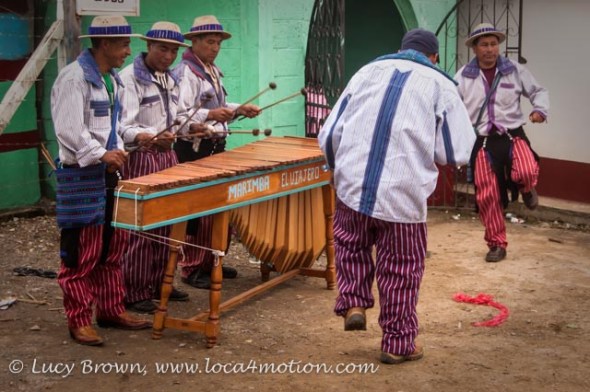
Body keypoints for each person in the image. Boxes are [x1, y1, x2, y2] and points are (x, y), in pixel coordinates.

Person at [318, 28, 475, 364]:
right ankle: (398, 344)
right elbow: (455, 150)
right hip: (402, 195)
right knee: (401, 268)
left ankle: (354, 302)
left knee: (350, 244)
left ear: (402, 50)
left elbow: (330, 132)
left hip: (352, 185)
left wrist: (337, 169)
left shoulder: (365, 72)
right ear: (433, 57)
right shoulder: (442, 86)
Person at [50, 15, 151, 346]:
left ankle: (110, 309)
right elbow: (69, 129)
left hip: (107, 174)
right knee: (81, 254)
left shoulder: (112, 80)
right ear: (105, 44)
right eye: (123, 44)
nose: (128, 50)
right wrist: (101, 153)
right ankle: (78, 319)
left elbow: (114, 124)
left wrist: (121, 148)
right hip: (82, 177)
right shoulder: (74, 79)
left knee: (111, 246)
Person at [172, 15, 261, 289]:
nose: (215, 47)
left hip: (215, 148)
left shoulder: (211, 70)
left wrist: (236, 109)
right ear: (195, 41)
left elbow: (218, 107)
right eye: (210, 42)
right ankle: (191, 267)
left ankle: (211, 261)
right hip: (193, 150)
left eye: (218, 43)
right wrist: (212, 113)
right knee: (197, 211)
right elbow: (180, 115)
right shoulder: (186, 73)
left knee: (216, 209)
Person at [455, 23, 549, 263]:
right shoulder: (463, 77)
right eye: (484, 44)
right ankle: (497, 244)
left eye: (494, 44)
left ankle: (527, 189)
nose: (490, 49)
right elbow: (451, 106)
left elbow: (538, 91)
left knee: (527, 170)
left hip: (512, 135)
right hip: (482, 142)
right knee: (487, 196)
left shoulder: (514, 70)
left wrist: (540, 110)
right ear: (474, 48)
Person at [118, 21, 191, 313]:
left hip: (167, 157)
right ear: (148, 46)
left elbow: (179, 117)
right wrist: (145, 135)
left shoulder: (171, 79)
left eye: (173, 51)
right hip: (142, 158)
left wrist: (194, 126)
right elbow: (123, 126)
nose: (168, 56)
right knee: (141, 226)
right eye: (163, 49)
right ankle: (135, 290)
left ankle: (162, 282)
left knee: (167, 223)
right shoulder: (128, 79)